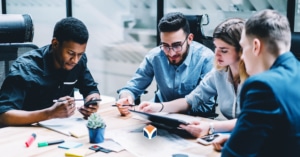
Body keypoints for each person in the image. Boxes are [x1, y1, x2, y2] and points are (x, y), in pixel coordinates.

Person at [139, 18, 248, 137]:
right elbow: (190, 100)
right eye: (215, 47)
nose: (216, 54)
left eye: (224, 50)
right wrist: (158, 107)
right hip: (234, 135)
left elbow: (253, 120)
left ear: (241, 50)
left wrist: (211, 127)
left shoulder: (257, 78)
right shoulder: (219, 73)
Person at [212, 9, 300, 156]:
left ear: (256, 46)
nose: (243, 56)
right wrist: (238, 138)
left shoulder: (262, 86)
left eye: (243, 47)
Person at [0, 17, 100, 126]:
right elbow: (4, 116)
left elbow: (91, 90)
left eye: (80, 54)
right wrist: (50, 113)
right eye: (70, 53)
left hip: (62, 129)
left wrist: (92, 103)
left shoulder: (78, 62)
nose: (75, 60)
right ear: (55, 43)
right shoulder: (25, 67)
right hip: (27, 131)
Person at [116, 12, 215, 116]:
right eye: (165, 45)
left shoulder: (206, 58)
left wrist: (163, 108)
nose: (171, 53)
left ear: (190, 39)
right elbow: (132, 87)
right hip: (158, 115)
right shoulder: (155, 56)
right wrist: (126, 99)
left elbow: (205, 106)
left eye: (177, 45)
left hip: (194, 120)